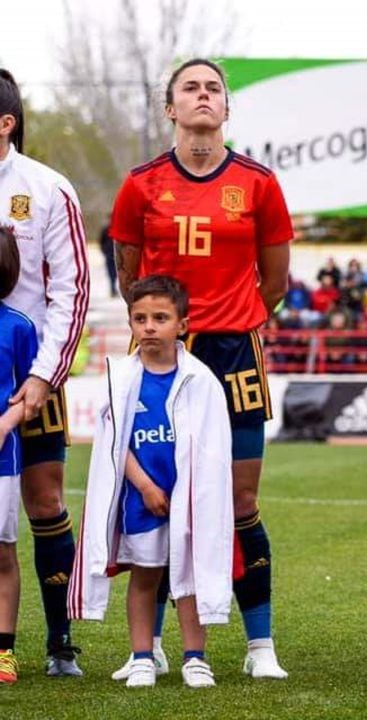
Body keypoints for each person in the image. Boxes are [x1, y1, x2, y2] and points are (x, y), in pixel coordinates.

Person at [110, 58, 292, 680]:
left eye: (214, 87)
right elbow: (129, 275)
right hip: (162, 354)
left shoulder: (259, 183)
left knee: (240, 501)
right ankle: (152, 645)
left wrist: (232, 319)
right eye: (191, 88)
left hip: (234, 353)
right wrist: (166, 332)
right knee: (161, 500)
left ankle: (260, 644)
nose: (203, 96)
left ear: (227, 107)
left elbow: (276, 281)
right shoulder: (140, 185)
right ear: (171, 109)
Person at [69, 275, 233, 689]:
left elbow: (213, 452)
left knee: (190, 579)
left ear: (182, 324)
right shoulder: (121, 377)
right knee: (145, 577)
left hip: (188, 500)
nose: (149, 326)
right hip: (142, 501)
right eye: (139, 318)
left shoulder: (202, 380)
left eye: (160, 317)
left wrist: (187, 496)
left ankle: (195, 658)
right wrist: (143, 484)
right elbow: (113, 442)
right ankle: (143, 656)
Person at [0, 68, 90, 676]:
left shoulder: (47, 189)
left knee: (44, 499)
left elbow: (72, 291)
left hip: (27, 370)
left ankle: (59, 644)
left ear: (5, 123)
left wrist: (41, 377)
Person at [0, 226, 37, 684]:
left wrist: (7, 424)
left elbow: (33, 391)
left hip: (2, 462)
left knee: (2, 553)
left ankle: (3, 650)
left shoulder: (19, 327)